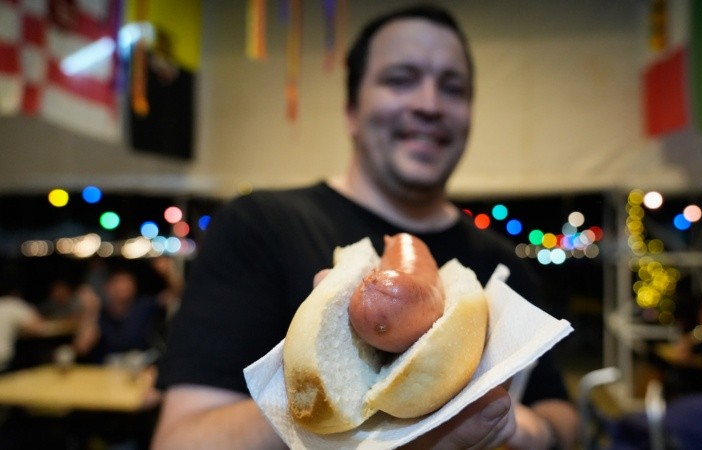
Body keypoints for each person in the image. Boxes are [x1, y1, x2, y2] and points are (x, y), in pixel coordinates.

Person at [152, 5, 579, 450]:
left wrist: (518, 429)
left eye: (452, 88)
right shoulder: (259, 224)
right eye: (400, 79)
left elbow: (561, 416)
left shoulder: (499, 261)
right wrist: (318, 410)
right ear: (351, 110)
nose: (429, 104)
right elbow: (177, 439)